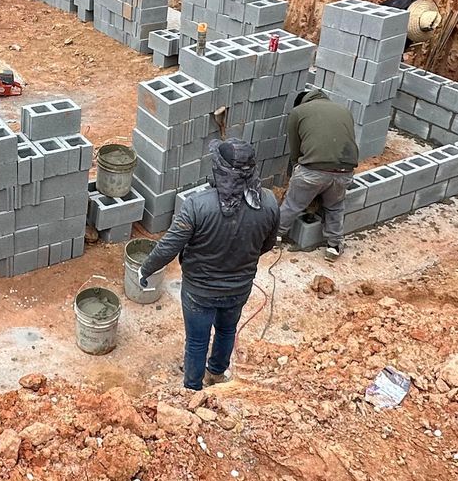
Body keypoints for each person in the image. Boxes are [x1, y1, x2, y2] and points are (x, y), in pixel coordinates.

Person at [136, 139, 280, 392]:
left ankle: (192, 388)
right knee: (226, 330)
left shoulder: (197, 205)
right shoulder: (268, 202)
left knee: (196, 341)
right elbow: (267, 245)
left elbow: (169, 246)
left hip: (199, 292)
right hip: (239, 288)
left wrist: (145, 269)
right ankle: (216, 373)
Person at [278, 87, 358, 260]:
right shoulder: (344, 110)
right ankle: (333, 246)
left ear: (301, 102)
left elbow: (295, 150)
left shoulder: (298, 112)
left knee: (293, 204)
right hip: (345, 170)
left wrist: (294, 175)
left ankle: (275, 235)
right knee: (335, 207)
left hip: (313, 171)